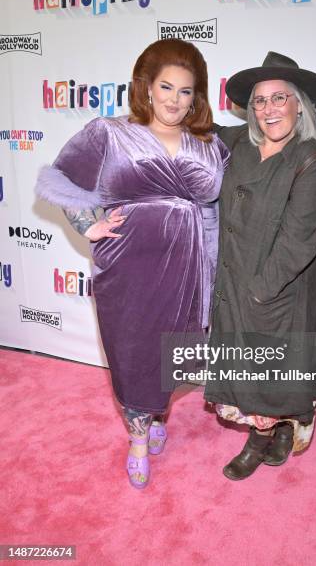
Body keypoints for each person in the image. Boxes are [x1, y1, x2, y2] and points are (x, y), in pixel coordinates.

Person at [36, 38, 229, 489]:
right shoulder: (108, 132)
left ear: (197, 96)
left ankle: (156, 412)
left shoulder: (209, 143)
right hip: (128, 263)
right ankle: (138, 439)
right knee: (132, 350)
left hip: (188, 264)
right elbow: (61, 178)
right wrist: (88, 225)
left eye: (186, 91)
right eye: (166, 87)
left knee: (172, 351)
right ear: (145, 87)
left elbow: (222, 205)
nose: (175, 100)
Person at [204, 52, 316, 480]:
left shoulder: (309, 157)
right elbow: (192, 125)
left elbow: (300, 239)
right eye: (260, 101)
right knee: (243, 369)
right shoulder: (237, 141)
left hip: (278, 288)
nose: (269, 109)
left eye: (280, 98)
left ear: (299, 104)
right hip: (232, 279)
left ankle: (270, 432)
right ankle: (267, 433)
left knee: (275, 371)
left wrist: (259, 290)